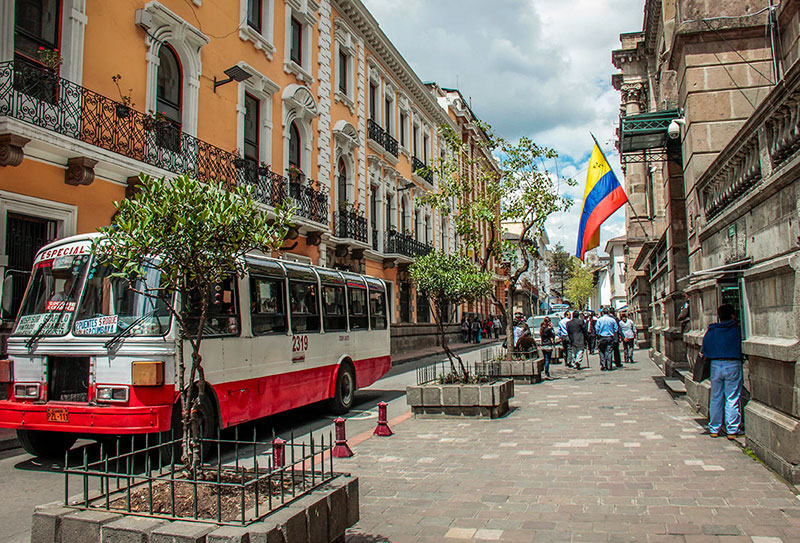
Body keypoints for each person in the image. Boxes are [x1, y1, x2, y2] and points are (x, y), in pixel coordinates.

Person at [702, 304, 744, 439]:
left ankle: (714, 428)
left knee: (716, 397)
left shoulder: (712, 330)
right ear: (732, 315)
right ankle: (732, 429)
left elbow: (705, 347)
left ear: (719, 317)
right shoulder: (737, 329)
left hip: (715, 364)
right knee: (732, 397)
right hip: (732, 363)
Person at [595, 307, 618, 371]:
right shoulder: (612, 320)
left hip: (602, 337)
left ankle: (603, 365)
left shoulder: (599, 320)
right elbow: (616, 329)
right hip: (609, 337)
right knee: (609, 351)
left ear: (602, 313)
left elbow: (596, 328)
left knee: (602, 351)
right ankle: (609, 365)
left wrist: (598, 333)